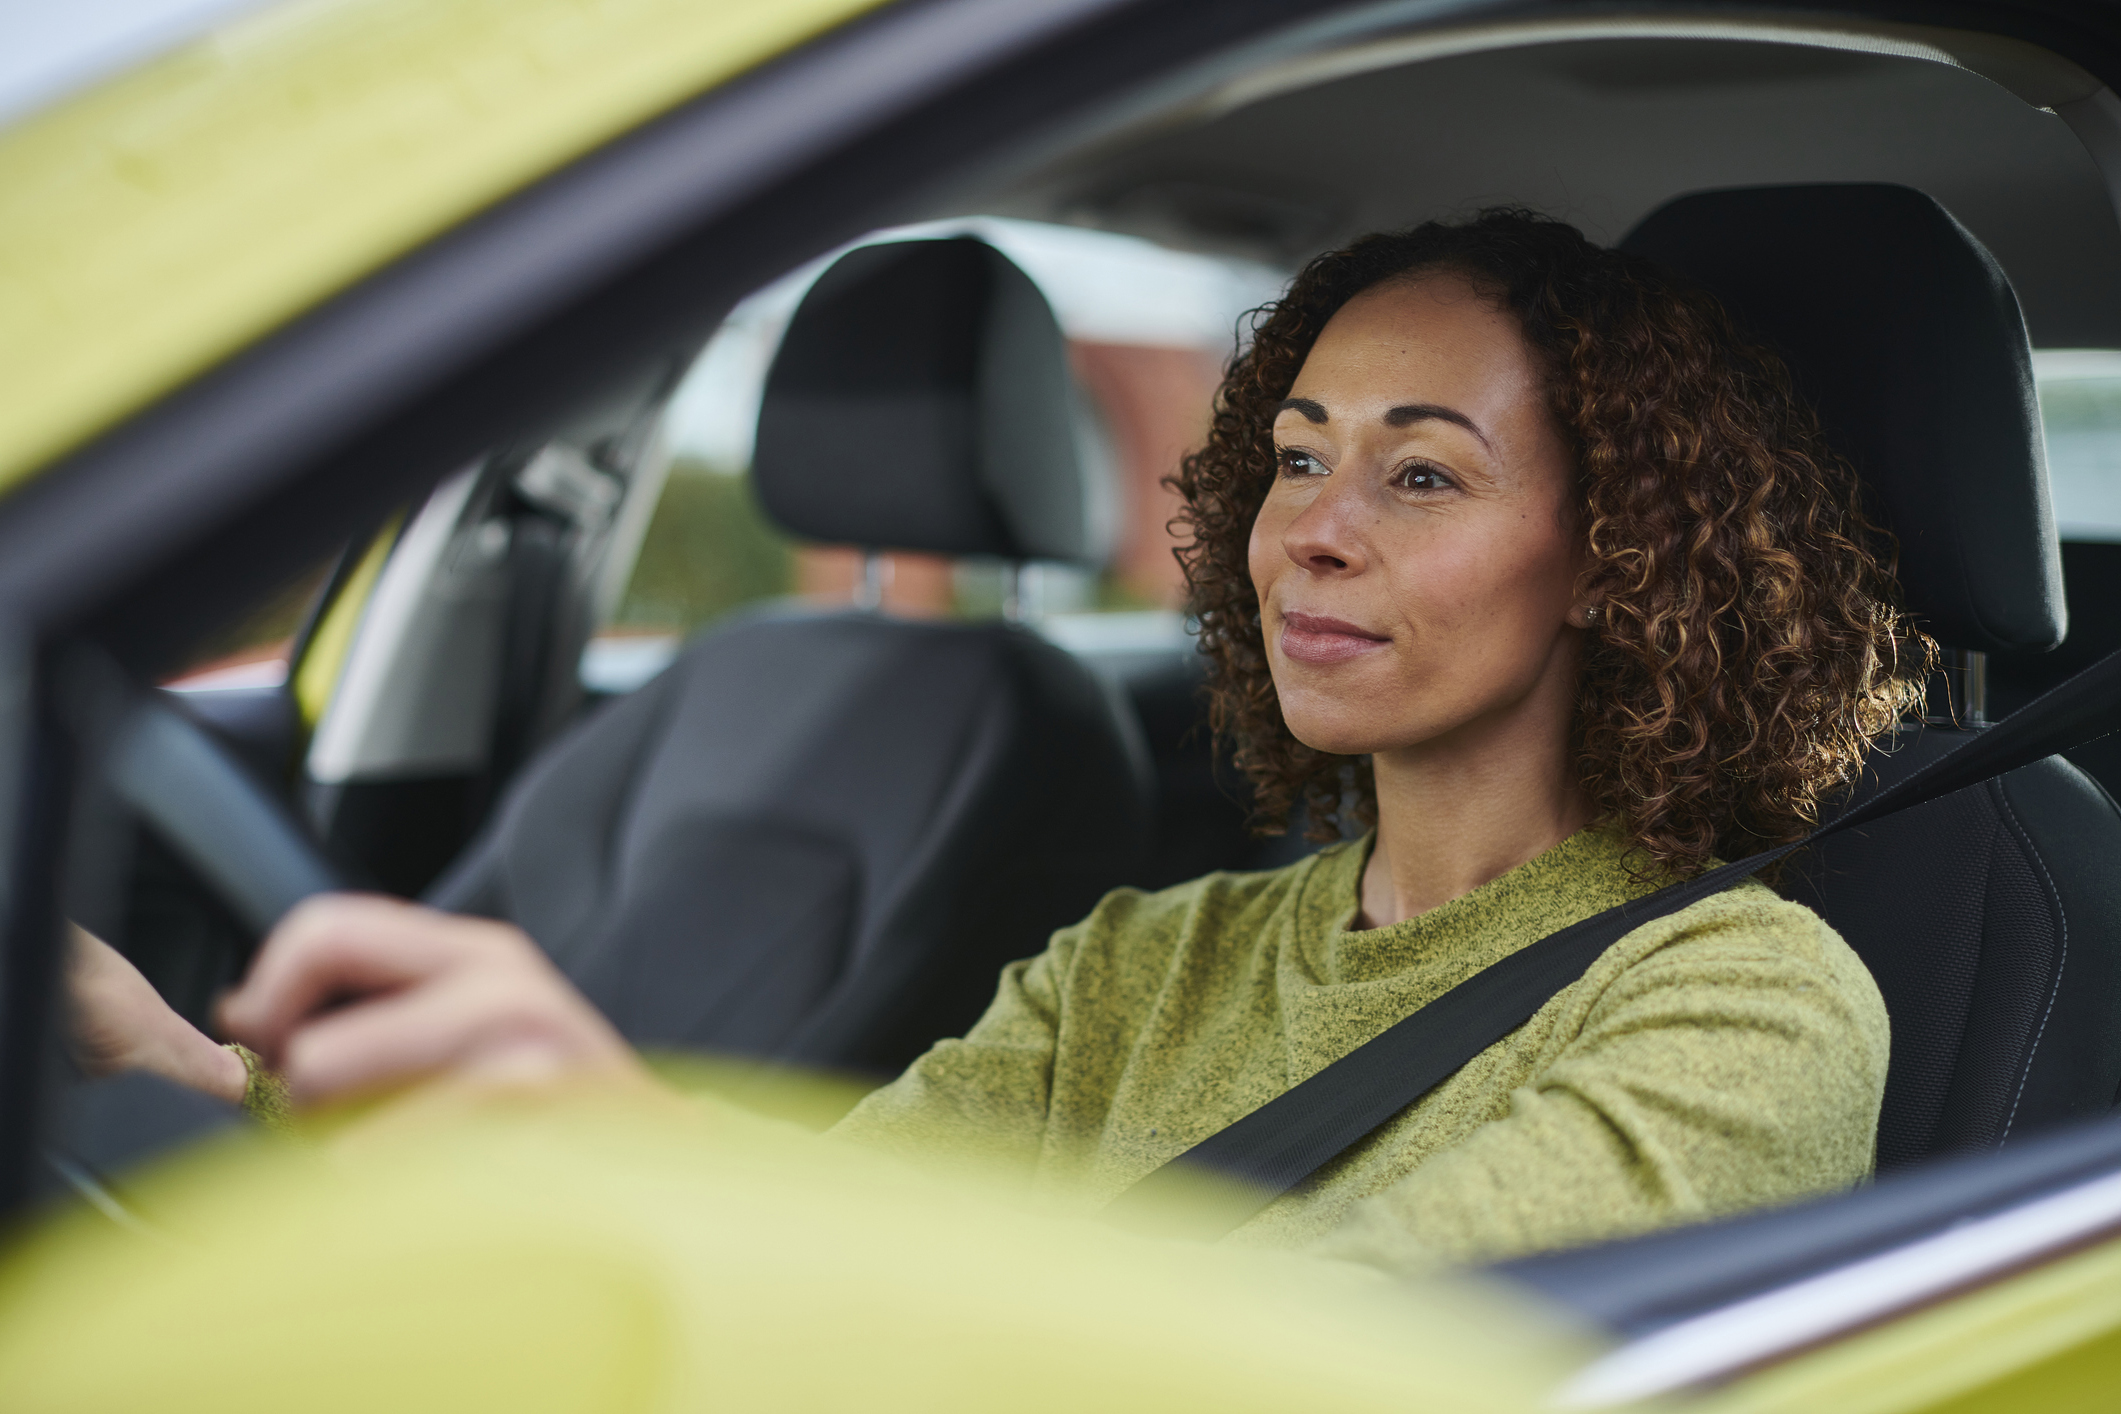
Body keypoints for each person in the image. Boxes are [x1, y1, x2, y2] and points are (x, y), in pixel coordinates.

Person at [69, 209, 1922, 1273]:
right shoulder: (1143, 961)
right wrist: (203, 1082)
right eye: (1293, 459)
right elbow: (824, 1228)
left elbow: (1343, 1366)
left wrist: (620, 1136)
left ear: (1615, 560)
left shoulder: (1744, 1000)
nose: (1311, 531)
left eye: (1419, 471)